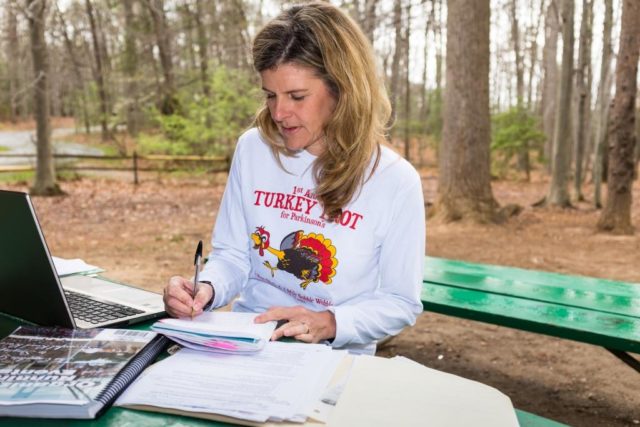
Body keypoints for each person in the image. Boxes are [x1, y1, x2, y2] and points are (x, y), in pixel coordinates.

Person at [162, 1, 425, 355]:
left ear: (342, 91)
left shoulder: (394, 180)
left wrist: (330, 322)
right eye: (270, 95)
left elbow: (399, 302)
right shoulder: (254, 149)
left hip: (333, 360)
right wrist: (205, 288)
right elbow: (234, 255)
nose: (279, 112)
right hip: (248, 343)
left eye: (297, 96)